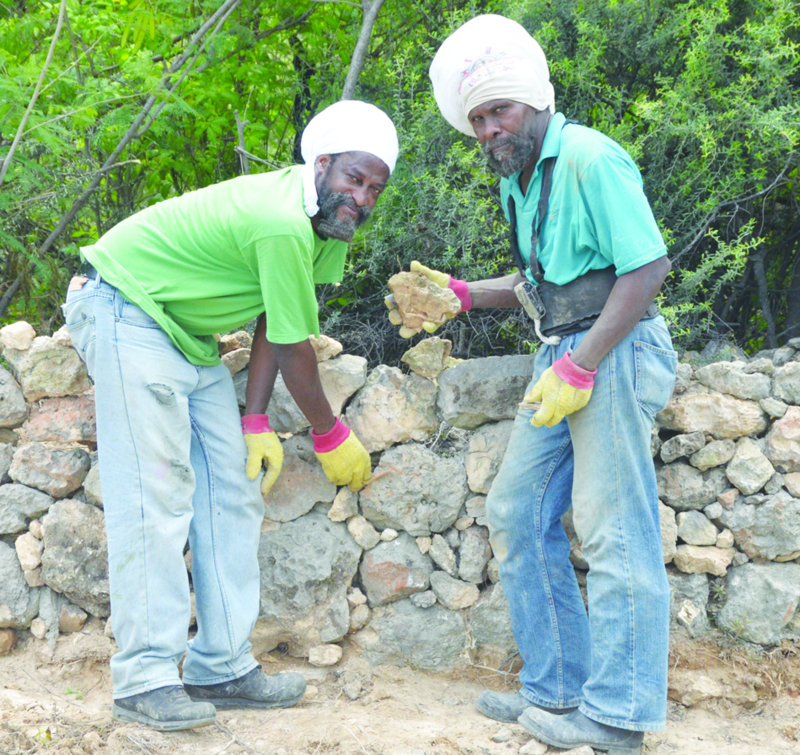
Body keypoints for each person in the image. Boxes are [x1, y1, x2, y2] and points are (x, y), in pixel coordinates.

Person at [62, 100, 398, 732]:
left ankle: (221, 667)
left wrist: (254, 420)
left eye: (375, 188)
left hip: (187, 339)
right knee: (156, 497)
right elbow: (295, 347)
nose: (362, 197)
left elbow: (277, 315)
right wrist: (329, 432)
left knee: (234, 490)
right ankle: (144, 679)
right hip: (126, 308)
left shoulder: (323, 227)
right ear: (322, 164)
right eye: (354, 179)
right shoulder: (281, 220)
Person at [392, 15, 677, 754]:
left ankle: (618, 716)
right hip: (564, 352)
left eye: (501, 111)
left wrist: (583, 365)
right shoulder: (520, 179)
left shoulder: (588, 157)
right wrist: (461, 294)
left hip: (611, 350)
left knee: (614, 529)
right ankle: (556, 689)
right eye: (479, 119)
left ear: (535, 101)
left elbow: (646, 268)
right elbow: (543, 282)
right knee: (516, 511)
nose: (490, 128)